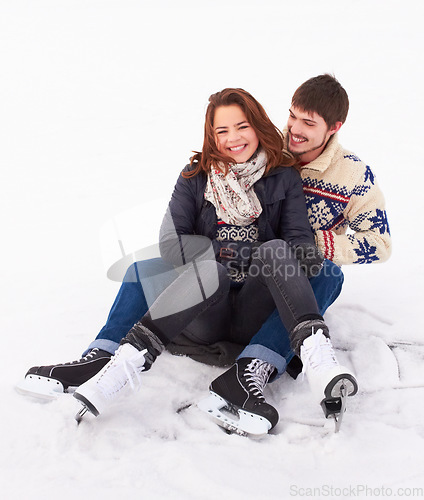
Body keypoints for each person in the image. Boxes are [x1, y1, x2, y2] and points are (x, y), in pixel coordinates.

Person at [19, 75, 390, 431]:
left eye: (242, 126)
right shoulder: (197, 176)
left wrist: (314, 246)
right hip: (206, 301)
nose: (293, 128)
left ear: (334, 127)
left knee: (320, 270)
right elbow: (171, 245)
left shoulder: (293, 171)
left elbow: (360, 243)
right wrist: (227, 251)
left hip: (258, 299)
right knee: (147, 266)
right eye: (222, 131)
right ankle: (101, 359)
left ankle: (269, 364)